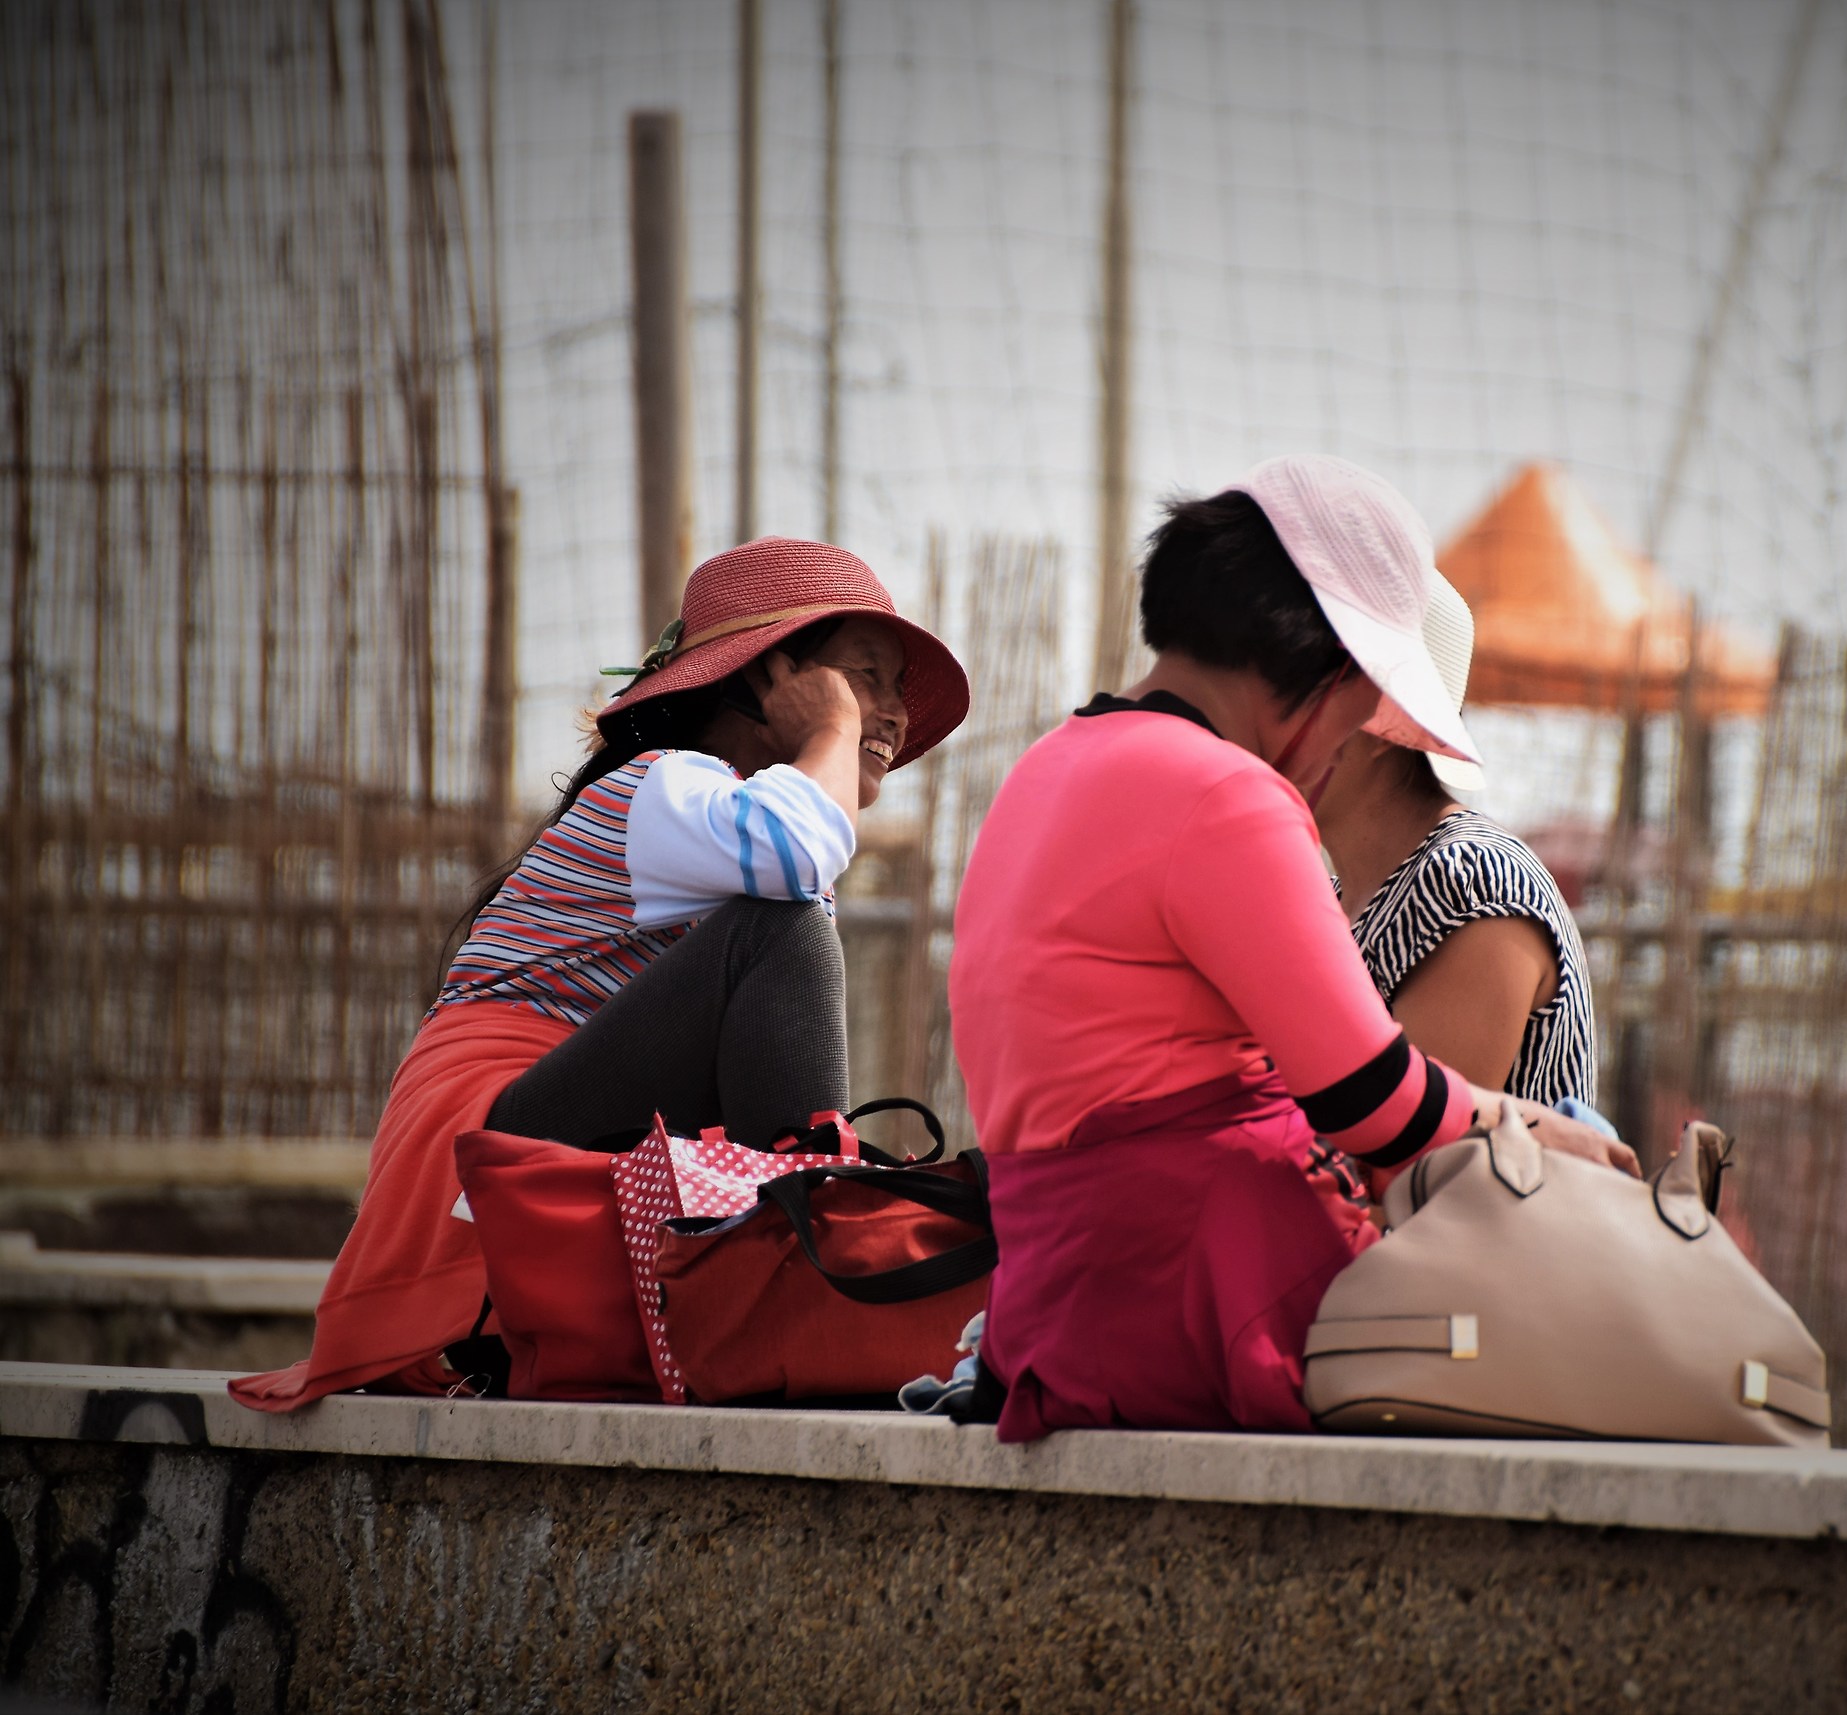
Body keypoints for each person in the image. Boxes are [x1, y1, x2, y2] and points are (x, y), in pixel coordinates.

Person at [946, 455, 1634, 1443]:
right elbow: (1370, 1100)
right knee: (1573, 1141)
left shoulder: (1047, 768)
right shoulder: (1227, 793)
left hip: (1062, 1301)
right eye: (1367, 700)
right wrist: (1539, 1130)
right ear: (1321, 658)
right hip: (1210, 1293)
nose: (1355, 731)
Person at [232, 538, 969, 1411]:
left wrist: (834, 728)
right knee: (785, 925)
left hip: (544, 1156)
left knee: (790, 923)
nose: (889, 711)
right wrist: (835, 732)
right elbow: (794, 851)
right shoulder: (661, 788)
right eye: (866, 678)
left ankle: (786, 1288)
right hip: (479, 1156)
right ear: (772, 677)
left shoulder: (743, 828)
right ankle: (811, 1283)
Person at [1311, 572, 1598, 1112]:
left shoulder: (1471, 881)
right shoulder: (1339, 893)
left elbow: (1400, 1172)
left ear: (1379, 719)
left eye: (1297, 691)